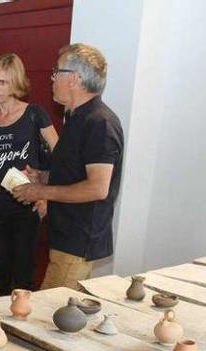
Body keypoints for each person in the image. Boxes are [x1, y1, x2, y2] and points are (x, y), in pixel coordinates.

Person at [12, 43, 124, 289]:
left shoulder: (100, 123)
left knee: (48, 315)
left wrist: (40, 192)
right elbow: (75, 173)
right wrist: (43, 177)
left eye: (56, 72)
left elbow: (97, 188)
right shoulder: (76, 118)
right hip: (65, 235)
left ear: (74, 78)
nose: (52, 79)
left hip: (77, 240)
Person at [0, 53, 58, 296]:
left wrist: (45, 196)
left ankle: (21, 328)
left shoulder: (34, 114)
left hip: (26, 205)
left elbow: (60, 156)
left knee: (23, 275)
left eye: (3, 83)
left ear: (15, 83)